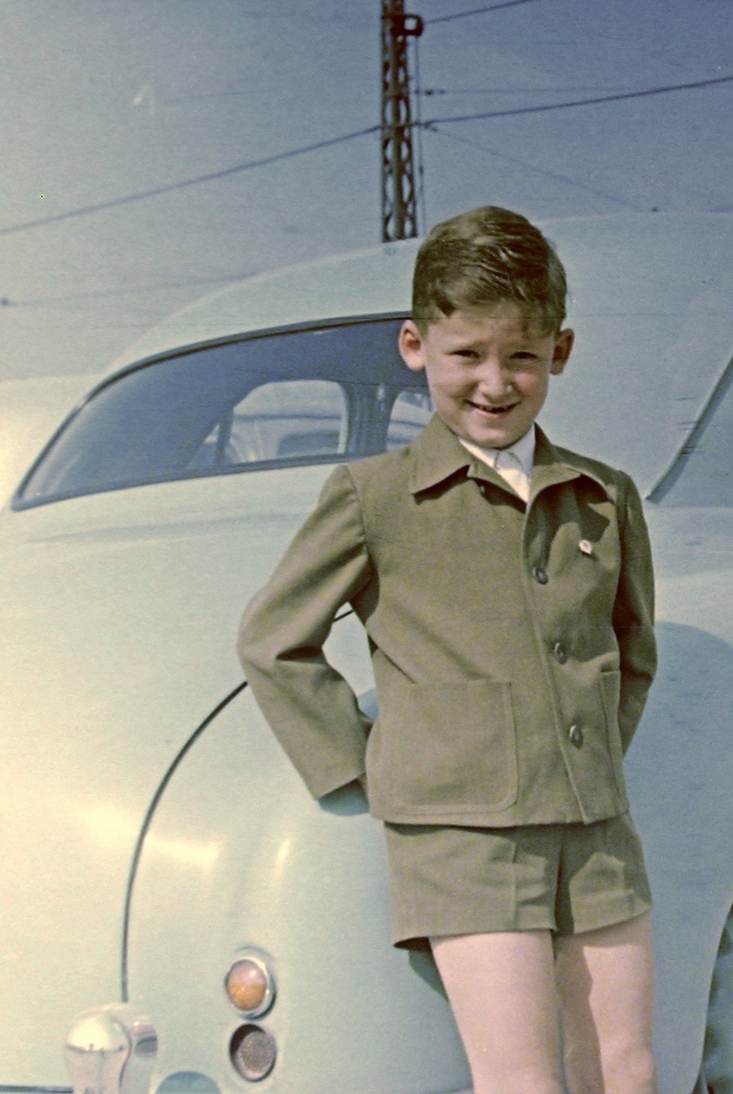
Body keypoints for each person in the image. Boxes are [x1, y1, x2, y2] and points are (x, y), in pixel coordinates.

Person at [238, 205, 657, 1094]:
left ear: (560, 353)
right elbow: (273, 642)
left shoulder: (604, 495)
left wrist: (592, 755)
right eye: (467, 353)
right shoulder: (373, 497)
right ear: (415, 346)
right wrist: (376, 770)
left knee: (626, 1070)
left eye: (523, 356)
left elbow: (632, 650)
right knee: (521, 1080)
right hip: (464, 840)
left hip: (595, 827)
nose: (495, 383)